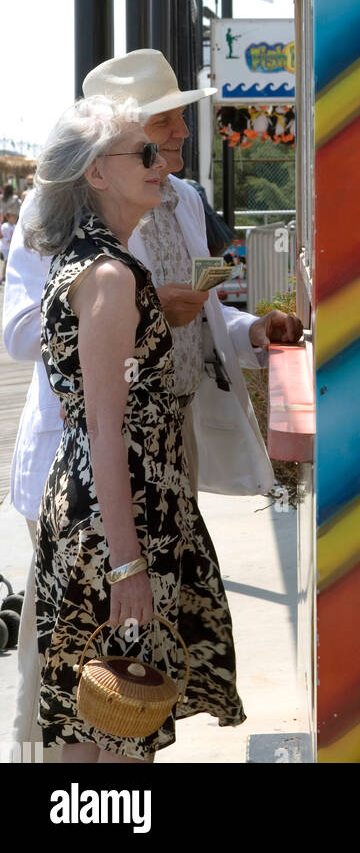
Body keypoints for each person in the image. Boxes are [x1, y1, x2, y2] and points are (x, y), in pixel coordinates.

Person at [3, 49, 303, 760]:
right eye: (161, 126)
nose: (175, 138)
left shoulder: (184, 203)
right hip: (100, 470)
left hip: (162, 458)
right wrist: (127, 313)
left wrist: (249, 330)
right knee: (80, 687)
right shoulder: (83, 245)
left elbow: (199, 320)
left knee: (130, 690)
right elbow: (22, 327)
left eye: (175, 125)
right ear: (107, 155)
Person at [25, 95, 245, 762]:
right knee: (122, 723)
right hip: (118, 519)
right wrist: (128, 564)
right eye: (144, 153)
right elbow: (103, 424)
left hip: (107, 512)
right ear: (97, 174)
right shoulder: (112, 277)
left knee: (99, 716)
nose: (160, 165)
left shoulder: (97, 263)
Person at [0, 208, 15, 284]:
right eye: (12, 216)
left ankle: (6, 276)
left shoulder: (14, 226)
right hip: (4, 247)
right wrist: (8, 241)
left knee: (9, 262)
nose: (14, 218)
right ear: (8, 217)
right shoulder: (5, 226)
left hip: (10, 247)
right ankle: (2, 277)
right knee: (5, 262)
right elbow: (2, 237)